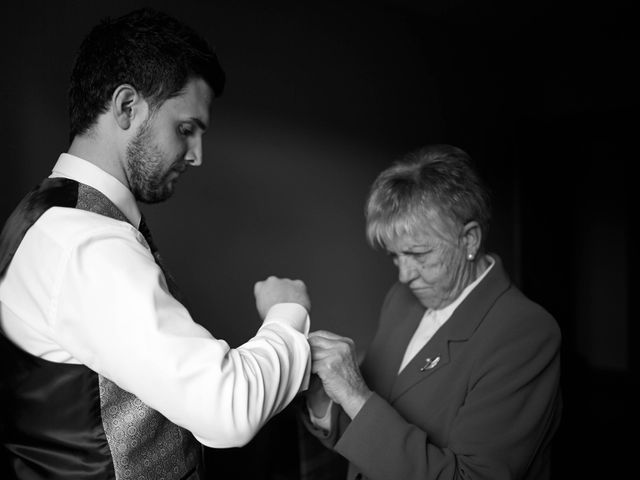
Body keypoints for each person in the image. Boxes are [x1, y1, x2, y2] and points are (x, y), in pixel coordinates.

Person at [0, 8, 311, 479]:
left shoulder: (49, 216)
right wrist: (287, 316)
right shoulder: (84, 242)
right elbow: (227, 408)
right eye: (186, 129)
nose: (197, 155)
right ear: (127, 107)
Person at [301, 144, 562, 480]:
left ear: (469, 240)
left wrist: (353, 393)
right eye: (395, 256)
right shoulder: (401, 299)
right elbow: (365, 430)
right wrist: (319, 393)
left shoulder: (525, 333)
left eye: (419, 254)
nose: (403, 275)